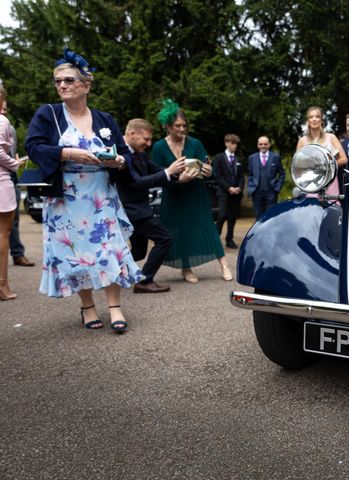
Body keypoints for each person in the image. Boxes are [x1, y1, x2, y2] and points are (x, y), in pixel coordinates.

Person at [25, 48, 143, 332]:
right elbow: (33, 147)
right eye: (58, 81)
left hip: (101, 197)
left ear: (86, 85)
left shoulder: (105, 119)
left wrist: (119, 161)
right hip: (66, 200)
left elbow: (127, 154)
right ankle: (87, 307)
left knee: (110, 250)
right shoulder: (49, 113)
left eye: (68, 80)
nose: (62, 85)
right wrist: (67, 153)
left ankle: (114, 305)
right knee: (76, 255)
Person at [151, 99, 232, 283]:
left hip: (196, 194)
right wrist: (179, 180)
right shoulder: (158, 147)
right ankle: (186, 268)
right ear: (168, 126)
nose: (182, 129)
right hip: (174, 196)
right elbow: (157, 176)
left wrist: (209, 170)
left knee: (208, 228)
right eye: (177, 126)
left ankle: (224, 265)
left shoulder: (195, 143)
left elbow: (208, 166)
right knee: (180, 232)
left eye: (184, 125)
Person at [117, 118, 187, 293]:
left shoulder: (138, 153)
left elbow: (155, 169)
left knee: (139, 252)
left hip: (138, 209)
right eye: (146, 139)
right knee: (164, 238)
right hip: (133, 210)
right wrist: (168, 172)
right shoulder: (120, 154)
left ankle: (111, 273)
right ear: (132, 134)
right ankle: (144, 281)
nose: (149, 143)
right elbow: (138, 182)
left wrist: (179, 173)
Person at [0, 98, 34, 267]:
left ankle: (17, 253)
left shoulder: (9, 128)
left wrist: (14, 161)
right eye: (2, 107)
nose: (4, 111)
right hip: (4, 175)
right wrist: (14, 163)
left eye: (6, 108)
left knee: (13, 220)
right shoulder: (4, 124)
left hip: (10, 176)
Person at [0, 86, 23, 300]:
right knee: (2, 233)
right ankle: (2, 285)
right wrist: (15, 163)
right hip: (1, 182)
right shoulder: (2, 121)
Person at [296, 106, 347, 196]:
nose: (314, 119)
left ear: (321, 120)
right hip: (310, 183)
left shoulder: (331, 137)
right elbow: (297, 165)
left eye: (317, 116)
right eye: (311, 117)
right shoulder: (302, 141)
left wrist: (327, 165)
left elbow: (344, 159)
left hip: (329, 181)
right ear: (308, 121)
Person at [213, 134, 244, 248]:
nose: (235, 145)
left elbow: (241, 176)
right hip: (224, 192)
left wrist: (239, 188)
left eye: (236, 143)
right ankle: (215, 240)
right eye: (232, 143)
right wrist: (229, 188)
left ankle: (229, 239)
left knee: (232, 216)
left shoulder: (238, 159)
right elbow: (218, 176)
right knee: (222, 215)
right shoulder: (219, 158)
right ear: (226, 143)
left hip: (236, 193)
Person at [247, 136, 285, 218]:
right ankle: (259, 231)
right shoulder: (252, 158)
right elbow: (250, 174)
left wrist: (277, 187)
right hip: (257, 192)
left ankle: (270, 231)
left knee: (270, 215)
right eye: (260, 144)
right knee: (258, 216)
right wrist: (251, 186)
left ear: (269, 145)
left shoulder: (275, 157)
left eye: (265, 144)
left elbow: (282, 173)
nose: (263, 146)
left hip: (271, 191)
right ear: (258, 145)